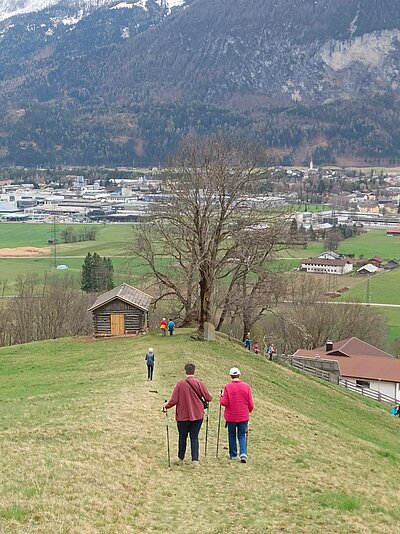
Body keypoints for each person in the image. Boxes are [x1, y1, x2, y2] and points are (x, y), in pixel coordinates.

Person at [164, 362, 212, 468]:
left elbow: (174, 400)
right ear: (194, 371)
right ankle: (195, 461)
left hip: (183, 416)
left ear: (185, 372)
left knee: (182, 436)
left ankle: (180, 458)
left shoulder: (180, 384)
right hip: (197, 415)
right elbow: (208, 398)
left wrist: (166, 406)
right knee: (194, 437)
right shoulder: (199, 383)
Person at [220, 367, 254, 463]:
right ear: (239, 375)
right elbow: (250, 403)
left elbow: (224, 402)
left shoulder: (228, 387)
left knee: (232, 435)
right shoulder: (246, 387)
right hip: (243, 416)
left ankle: (233, 455)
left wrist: (221, 397)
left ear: (231, 376)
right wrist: (249, 411)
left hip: (231, 416)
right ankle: (243, 453)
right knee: (242, 435)